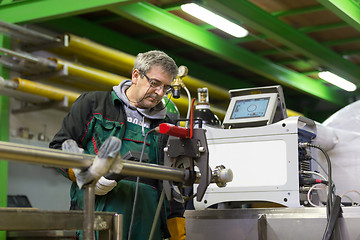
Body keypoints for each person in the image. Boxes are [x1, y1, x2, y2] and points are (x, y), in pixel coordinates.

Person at [49, 50, 186, 240]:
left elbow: (172, 182)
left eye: (166, 88)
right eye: (155, 84)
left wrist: (176, 224)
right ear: (136, 75)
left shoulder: (167, 124)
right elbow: (58, 148)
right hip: (97, 213)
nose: (160, 93)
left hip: (149, 221)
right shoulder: (95, 104)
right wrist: (88, 178)